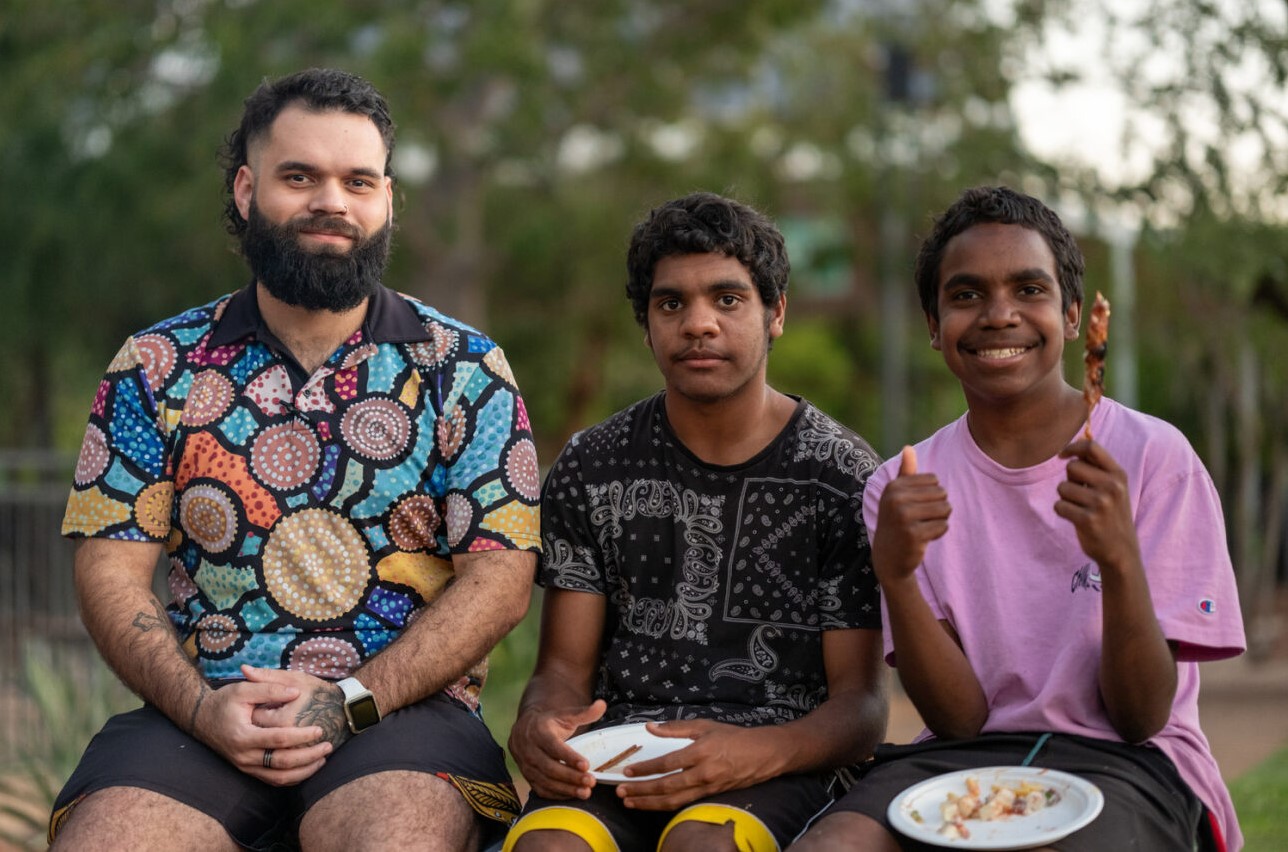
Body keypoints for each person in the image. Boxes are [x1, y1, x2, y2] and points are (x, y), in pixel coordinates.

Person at [50, 68, 541, 852]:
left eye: (358, 181)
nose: (332, 203)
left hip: (402, 718)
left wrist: (349, 700)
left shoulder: (465, 369)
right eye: (299, 177)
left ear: (388, 200)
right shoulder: (154, 366)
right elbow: (108, 570)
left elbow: (501, 581)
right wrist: (202, 708)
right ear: (247, 190)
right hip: (204, 713)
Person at [793, 185, 1247, 851]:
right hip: (967, 756)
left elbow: (1142, 715)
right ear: (932, 323)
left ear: (1071, 315)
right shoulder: (902, 483)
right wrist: (895, 574)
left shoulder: (1153, 458)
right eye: (966, 294)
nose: (998, 314)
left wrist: (1118, 559)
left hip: (1129, 761)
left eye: (1028, 290)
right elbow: (958, 719)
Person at [503, 191, 889, 852]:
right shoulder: (594, 465)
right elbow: (563, 671)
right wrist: (537, 723)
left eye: (728, 299)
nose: (698, 323)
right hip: (619, 753)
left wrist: (757, 752)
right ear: (647, 322)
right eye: (671, 303)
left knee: (702, 846)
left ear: (777, 314)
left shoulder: (841, 475)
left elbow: (861, 708)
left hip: (779, 758)